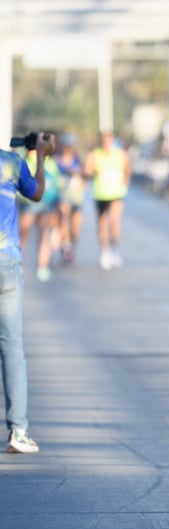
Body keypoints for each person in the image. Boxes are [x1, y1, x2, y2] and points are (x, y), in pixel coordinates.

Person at [0, 132, 55, 452]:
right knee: (11, 346)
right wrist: (41, 156)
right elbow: (36, 193)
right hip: (6, 262)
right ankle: (18, 432)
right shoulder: (10, 162)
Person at [84, 130, 131, 270]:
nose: (106, 143)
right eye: (104, 141)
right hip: (100, 194)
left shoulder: (120, 154)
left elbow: (128, 167)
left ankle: (115, 249)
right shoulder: (95, 154)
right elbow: (87, 170)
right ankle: (105, 251)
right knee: (102, 224)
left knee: (114, 221)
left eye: (109, 140)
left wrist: (126, 179)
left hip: (116, 193)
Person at [20, 146, 61, 282]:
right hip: (36, 203)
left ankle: (36, 266)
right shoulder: (48, 162)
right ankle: (40, 267)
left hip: (37, 203)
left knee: (30, 236)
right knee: (36, 235)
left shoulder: (28, 160)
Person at [55, 134, 86, 264]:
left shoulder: (78, 160)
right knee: (64, 220)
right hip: (63, 196)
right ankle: (66, 246)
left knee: (75, 226)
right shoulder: (57, 161)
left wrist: (82, 183)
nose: (67, 148)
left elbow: (85, 176)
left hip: (76, 197)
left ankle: (71, 244)